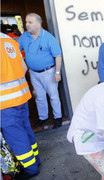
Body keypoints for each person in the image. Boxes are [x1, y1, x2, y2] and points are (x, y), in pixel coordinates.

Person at [1, 32, 40, 179]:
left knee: (16, 137)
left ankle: (31, 169)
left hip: (5, 102)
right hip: (21, 95)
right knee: (25, 129)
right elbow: (24, 68)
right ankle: (35, 160)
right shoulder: (9, 40)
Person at [18, 13, 63, 129]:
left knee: (53, 96)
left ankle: (58, 118)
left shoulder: (48, 38)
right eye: (26, 22)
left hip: (49, 72)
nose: (27, 24)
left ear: (38, 24)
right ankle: (43, 118)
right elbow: (15, 49)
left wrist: (57, 72)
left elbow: (58, 55)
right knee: (39, 97)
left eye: (30, 22)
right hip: (33, 73)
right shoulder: (24, 37)